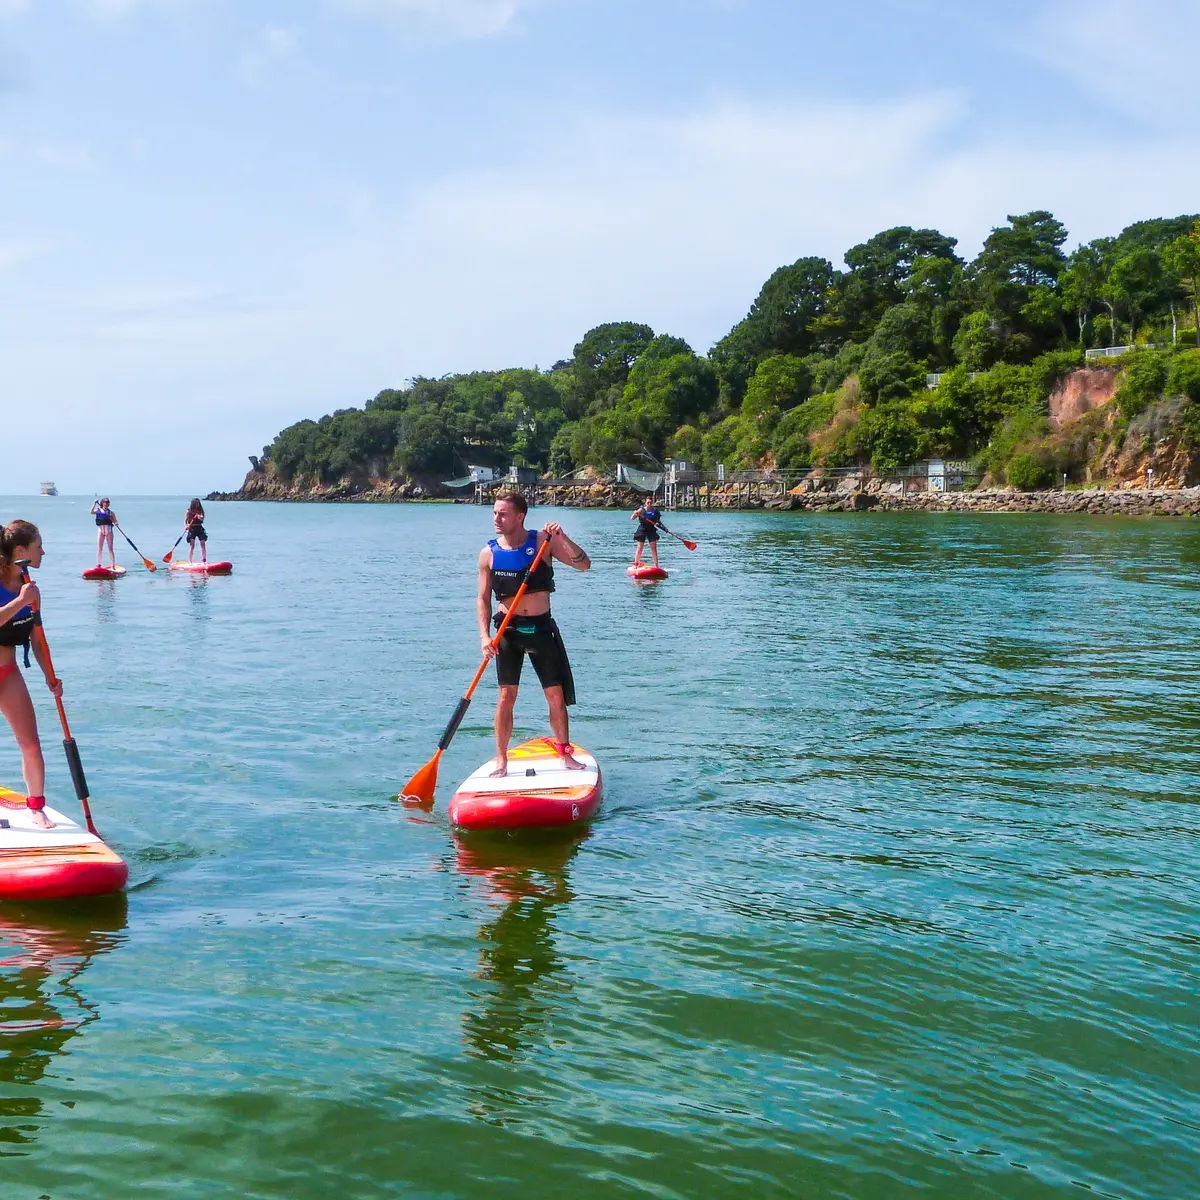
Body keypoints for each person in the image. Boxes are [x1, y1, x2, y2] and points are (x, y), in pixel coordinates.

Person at [477, 493, 590, 777]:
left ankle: (565, 754)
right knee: (506, 696)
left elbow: (583, 564)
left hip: (540, 629)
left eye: (503, 514)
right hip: (507, 630)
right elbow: (482, 599)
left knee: (555, 695)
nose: (497, 519)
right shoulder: (488, 553)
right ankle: (502, 760)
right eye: (494, 513)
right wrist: (484, 637)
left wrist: (562, 537)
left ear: (520, 516)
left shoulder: (542, 542)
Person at [0, 520, 64, 830]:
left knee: (31, 743)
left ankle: (36, 808)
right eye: (39, 546)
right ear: (20, 551)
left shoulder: (31, 589)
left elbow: (37, 638)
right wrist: (20, 601)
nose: (43, 552)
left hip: (8, 673)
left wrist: (50, 677)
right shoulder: (16, 590)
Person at [631, 495, 668, 567]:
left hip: (651, 529)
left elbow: (658, 521)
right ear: (645, 503)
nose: (649, 504)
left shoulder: (655, 511)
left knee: (653, 548)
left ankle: (656, 565)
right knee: (640, 548)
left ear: (652, 503)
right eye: (648, 503)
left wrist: (665, 528)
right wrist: (635, 513)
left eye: (650, 503)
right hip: (642, 529)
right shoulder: (641, 510)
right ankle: (636, 564)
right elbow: (632, 518)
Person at [90, 498, 117, 569]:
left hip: (109, 531)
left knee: (110, 549)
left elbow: (115, 521)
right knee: (99, 549)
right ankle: (98, 565)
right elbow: (91, 512)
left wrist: (116, 523)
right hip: (100, 531)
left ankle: (113, 565)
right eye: (105, 502)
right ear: (102, 503)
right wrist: (94, 503)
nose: (107, 504)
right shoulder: (98, 511)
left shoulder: (111, 513)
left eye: (108, 502)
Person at [184, 499, 207, 564]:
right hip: (192, 529)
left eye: (198, 503)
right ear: (193, 504)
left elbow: (202, 517)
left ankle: (204, 560)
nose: (198, 504)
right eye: (196, 503)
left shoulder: (200, 510)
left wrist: (199, 516)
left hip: (199, 528)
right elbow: (185, 520)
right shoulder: (189, 511)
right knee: (192, 546)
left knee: (203, 544)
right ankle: (190, 561)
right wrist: (186, 526)